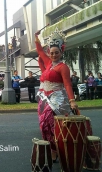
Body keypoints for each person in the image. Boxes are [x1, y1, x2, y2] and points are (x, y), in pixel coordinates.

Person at [35, 27, 78, 162]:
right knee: (44, 126)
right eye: (51, 53)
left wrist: (71, 100)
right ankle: (53, 148)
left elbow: (67, 84)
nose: (53, 55)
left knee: (46, 122)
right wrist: (36, 38)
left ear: (61, 51)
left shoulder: (63, 67)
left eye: (56, 53)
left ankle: (55, 149)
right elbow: (40, 51)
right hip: (43, 98)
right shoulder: (48, 63)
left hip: (57, 98)